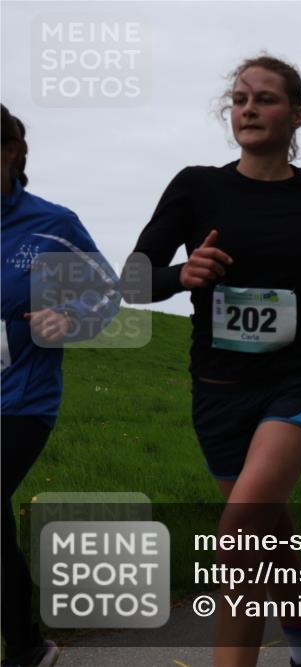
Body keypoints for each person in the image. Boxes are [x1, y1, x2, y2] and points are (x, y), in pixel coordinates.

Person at [123, 56, 301, 667]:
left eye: (265, 99)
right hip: (217, 391)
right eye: (239, 99)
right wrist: (179, 274)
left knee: (238, 537)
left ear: (298, 113)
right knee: (268, 536)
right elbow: (132, 279)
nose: (249, 109)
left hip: (294, 384)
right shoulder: (197, 186)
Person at [2, 104, 121, 667]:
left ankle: (25, 645)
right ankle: (26, 646)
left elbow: (107, 291)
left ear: (11, 153)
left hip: (20, 401)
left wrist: (69, 318)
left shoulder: (51, 225)